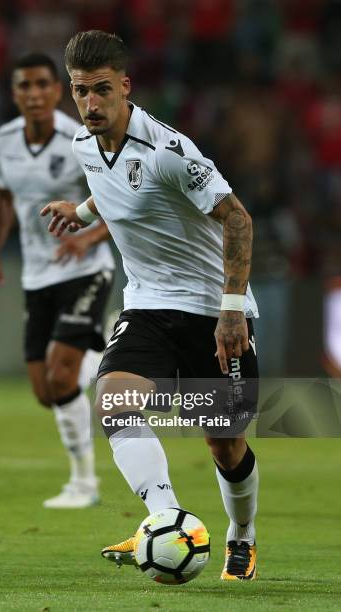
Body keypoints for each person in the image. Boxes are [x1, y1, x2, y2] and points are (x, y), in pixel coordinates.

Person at [42, 31, 259, 580]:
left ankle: (242, 535)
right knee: (114, 404)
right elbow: (112, 189)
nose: (90, 104)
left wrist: (232, 307)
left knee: (225, 445)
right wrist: (83, 213)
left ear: (125, 87)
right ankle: (164, 520)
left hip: (214, 311)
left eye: (102, 91)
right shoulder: (84, 147)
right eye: (80, 91)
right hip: (147, 307)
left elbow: (237, 219)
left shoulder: (169, 151)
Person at [0, 53, 115, 509]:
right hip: (37, 275)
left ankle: (84, 483)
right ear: (14, 93)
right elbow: (2, 195)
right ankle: (102, 353)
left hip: (86, 268)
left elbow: (125, 199)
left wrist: (88, 237)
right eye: (24, 86)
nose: (33, 94)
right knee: (44, 390)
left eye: (41, 85)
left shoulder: (81, 138)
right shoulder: (3, 141)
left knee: (60, 376)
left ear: (57, 91)